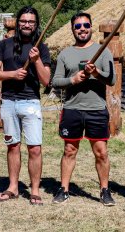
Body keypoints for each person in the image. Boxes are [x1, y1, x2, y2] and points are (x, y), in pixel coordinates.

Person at [50, 12, 116, 206]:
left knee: (101, 152)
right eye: (78, 26)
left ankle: (105, 190)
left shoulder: (103, 51)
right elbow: (55, 81)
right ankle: (64, 189)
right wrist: (73, 80)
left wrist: (95, 72)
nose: (82, 29)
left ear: (91, 27)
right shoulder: (65, 54)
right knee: (70, 150)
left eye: (85, 25)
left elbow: (112, 79)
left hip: (96, 109)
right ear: (72, 29)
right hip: (72, 108)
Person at [0, 6, 51, 206]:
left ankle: (34, 190)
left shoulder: (40, 47)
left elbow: (46, 80)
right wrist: (12, 74)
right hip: (8, 102)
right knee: (13, 146)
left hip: (30, 102)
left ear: (36, 24)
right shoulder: (4, 45)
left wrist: (37, 61)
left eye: (31, 22)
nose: (27, 24)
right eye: (23, 21)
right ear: (18, 22)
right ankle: (13, 187)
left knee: (34, 148)